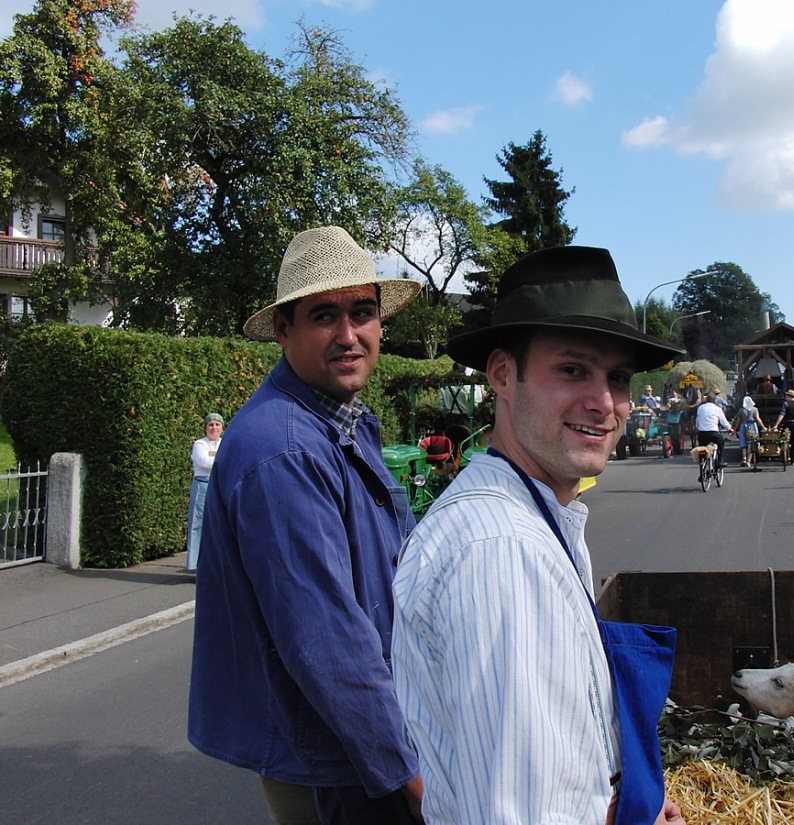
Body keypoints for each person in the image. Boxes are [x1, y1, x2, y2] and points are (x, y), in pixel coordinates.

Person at [391, 246, 686, 825]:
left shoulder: (538, 515)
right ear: (502, 375)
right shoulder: (503, 551)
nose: (604, 403)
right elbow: (521, 812)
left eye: (618, 377)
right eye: (572, 370)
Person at [188, 226, 425, 825]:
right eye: (325, 315)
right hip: (337, 761)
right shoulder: (285, 451)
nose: (349, 335)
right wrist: (415, 776)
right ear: (284, 330)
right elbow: (327, 642)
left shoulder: (338, 421)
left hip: (350, 748)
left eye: (362, 312)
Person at [184, 412, 223, 572]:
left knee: (219, 525)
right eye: (211, 425)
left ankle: (216, 565)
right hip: (202, 486)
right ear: (206, 428)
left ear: (222, 428)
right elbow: (205, 463)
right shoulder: (200, 444)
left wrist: (214, 455)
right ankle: (194, 565)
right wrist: (218, 457)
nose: (214, 428)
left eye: (217, 425)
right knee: (197, 524)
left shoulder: (224, 442)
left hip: (218, 485)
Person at [695, 390, 733, 470]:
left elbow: (697, 421)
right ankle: (720, 462)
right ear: (715, 400)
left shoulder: (700, 408)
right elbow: (723, 421)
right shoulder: (717, 409)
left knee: (702, 449)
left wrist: (698, 428)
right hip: (713, 433)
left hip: (702, 434)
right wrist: (730, 428)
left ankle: (702, 468)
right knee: (721, 442)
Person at [775, 388, 794, 463]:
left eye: (787, 396)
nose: (786, 397)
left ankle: (785, 456)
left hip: (788, 424)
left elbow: (782, 414)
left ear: (790, 396)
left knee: (785, 441)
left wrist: (776, 425)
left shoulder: (786, 404)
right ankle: (793, 460)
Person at [736, 395, 765, 466]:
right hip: (753, 426)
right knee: (752, 442)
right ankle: (749, 460)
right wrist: (763, 427)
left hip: (743, 426)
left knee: (743, 442)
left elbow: (738, 420)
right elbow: (758, 419)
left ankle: (744, 458)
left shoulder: (741, 410)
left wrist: (735, 428)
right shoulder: (754, 409)